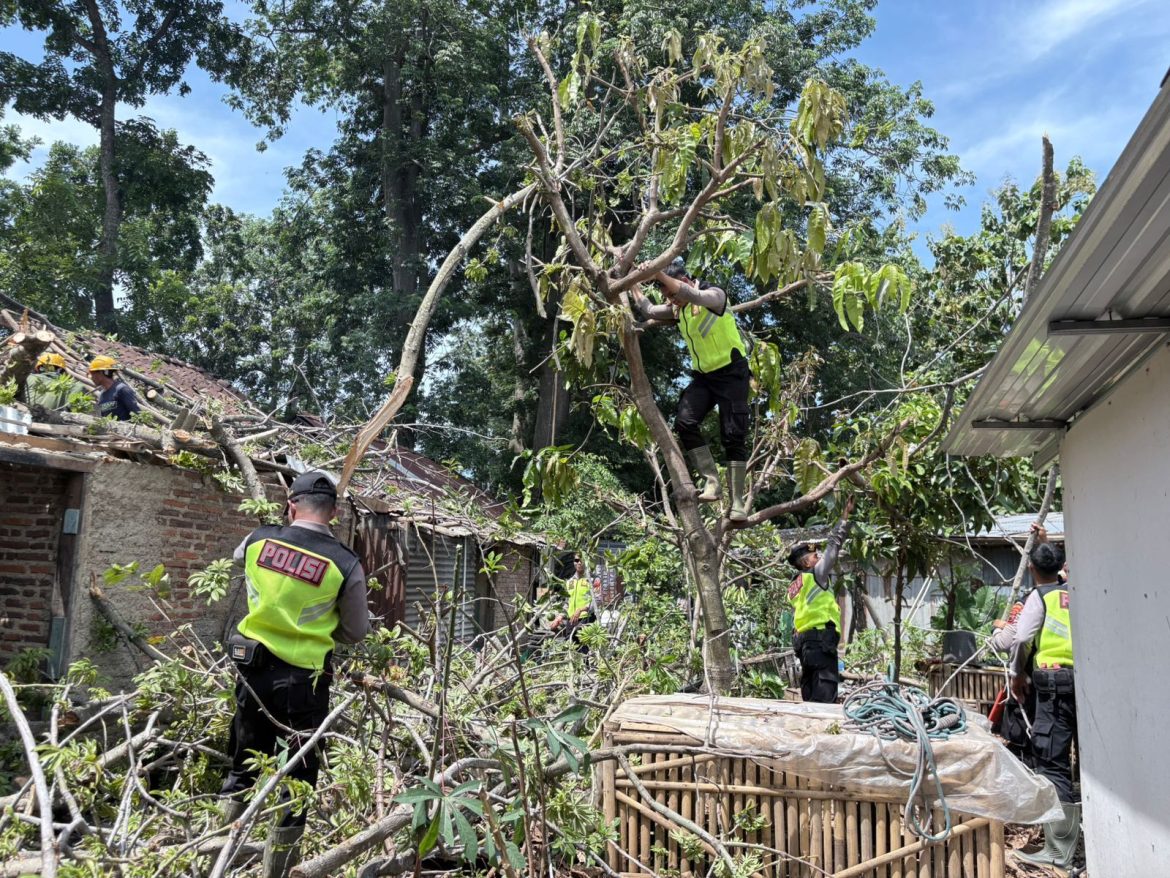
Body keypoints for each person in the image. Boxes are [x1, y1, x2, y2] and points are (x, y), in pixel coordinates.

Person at [219, 471, 369, 878]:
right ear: (334, 513)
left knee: (242, 766)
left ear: (290, 506)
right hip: (304, 683)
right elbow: (356, 631)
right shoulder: (345, 563)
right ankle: (279, 869)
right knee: (297, 780)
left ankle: (215, 856)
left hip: (251, 674)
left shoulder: (257, 540)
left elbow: (238, 561)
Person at [630, 258, 752, 522]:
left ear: (684, 281)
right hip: (704, 377)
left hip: (732, 374)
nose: (672, 301)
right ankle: (712, 482)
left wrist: (657, 272)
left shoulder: (714, 296)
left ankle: (738, 502)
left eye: (673, 294)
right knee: (685, 422)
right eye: (669, 297)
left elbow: (693, 295)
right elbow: (649, 310)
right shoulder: (679, 309)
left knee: (733, 435)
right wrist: (632, 282)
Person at [1009, 539, 1079, 872]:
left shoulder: (1039, 597)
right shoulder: (1073, 592)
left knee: (1053, 763)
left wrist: (1016, 674)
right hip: (1084, 683)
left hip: (1053, 686)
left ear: (1032, 569)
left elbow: (1022, 638)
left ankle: (1059, 850)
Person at [786, 495, 854, 703]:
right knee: (825, 697)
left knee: (810, 695)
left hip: (804, 645)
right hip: (820, 640)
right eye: (815, 556)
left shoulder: (795, 585)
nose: (820, 558)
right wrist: (844, 518)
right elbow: (833, 548)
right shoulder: (816, 574)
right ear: (806, 563)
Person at [87, 355, 141, 421]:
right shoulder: (102, 396)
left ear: (100, 373)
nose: (91, 378)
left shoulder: (122, 390)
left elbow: (137, 415)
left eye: (92, 374)